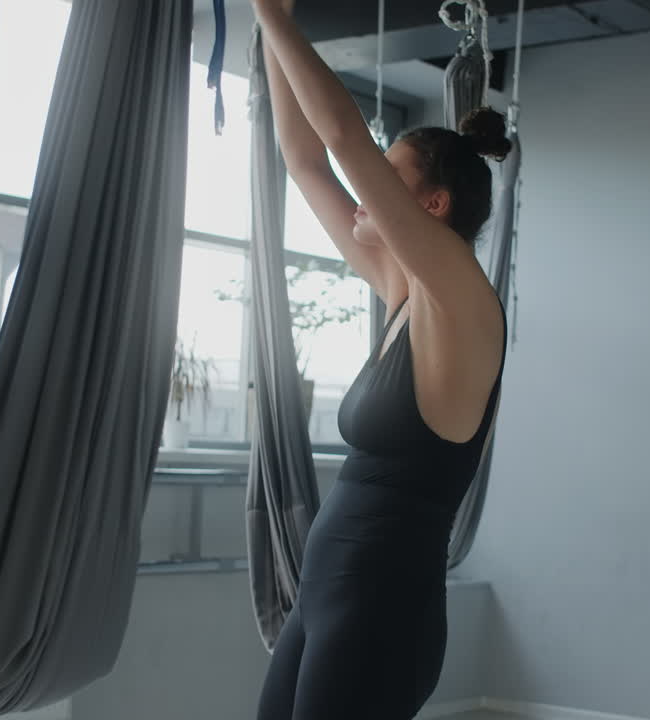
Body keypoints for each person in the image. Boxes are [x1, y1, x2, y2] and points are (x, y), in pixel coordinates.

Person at [252, 0, 511, 717]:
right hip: (327, 597)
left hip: (381, 613)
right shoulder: (405, 296)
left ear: (432, 205)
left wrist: (272, 15)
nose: (363, 192)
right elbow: (305, 159)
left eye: (384, 175)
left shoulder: (461, 302)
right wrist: (271, 21)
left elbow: (340, 138)